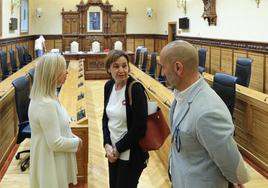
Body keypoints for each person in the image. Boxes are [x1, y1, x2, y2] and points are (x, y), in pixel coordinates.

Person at [159, 40, 250, 188]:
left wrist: (235, 179)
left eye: (163, 67)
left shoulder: (208, 111)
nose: (161, 73)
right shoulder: (181, 95)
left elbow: (232, 165)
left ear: (178, 68)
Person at [28, 53, 82, 188]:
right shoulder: (46, 104)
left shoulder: (47, 96)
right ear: (53, 73)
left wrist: (71, 134)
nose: (67, 71)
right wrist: (77, 142)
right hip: (50, 161)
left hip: (50, 157)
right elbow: (55, 143)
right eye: (63, 69)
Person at [102, 50, 149, 188]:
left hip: (130, 153)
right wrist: (107, 144)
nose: (121, 70)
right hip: (112, 151)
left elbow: (140, 128)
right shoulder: (109, 86)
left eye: (124, 65)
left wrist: (118, 148)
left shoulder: (135, 89)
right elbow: (105, 118)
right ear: (109, 69)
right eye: (116, 66)